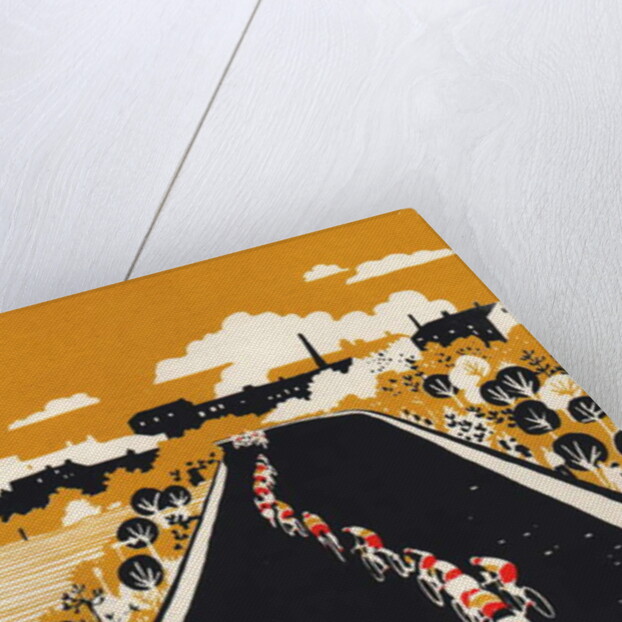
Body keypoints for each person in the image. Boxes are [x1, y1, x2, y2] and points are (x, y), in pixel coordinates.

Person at [343, 526, 410, 577]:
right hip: (372, 538)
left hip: (371, 538)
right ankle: (392, 555)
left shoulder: (355, 531)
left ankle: (385, 564)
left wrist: (357, 548)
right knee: (378, 549)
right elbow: (362, 542)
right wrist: (357, 548)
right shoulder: (357, 532)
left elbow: (361, 540)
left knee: (369, 554)